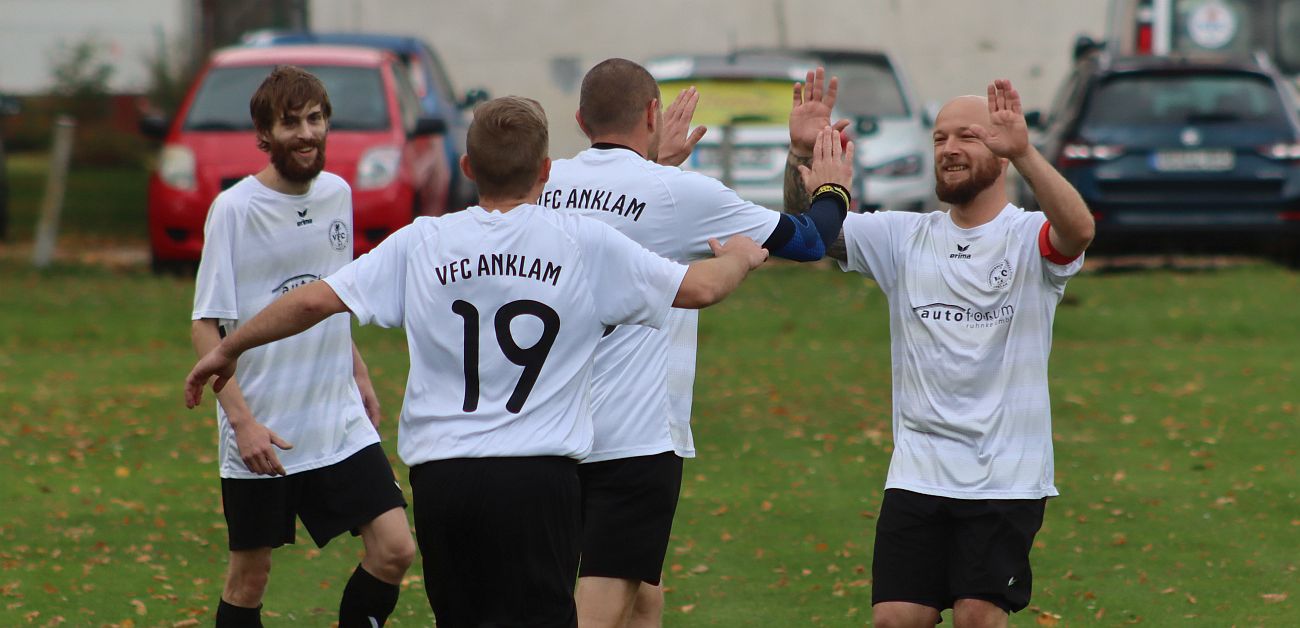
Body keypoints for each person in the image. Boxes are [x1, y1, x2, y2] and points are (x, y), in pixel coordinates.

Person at [185, 95, 771, 627]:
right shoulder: (580, 241)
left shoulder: (423, 241)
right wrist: (742, 255)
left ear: (467, 170)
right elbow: (697, 288)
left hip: (446, 481)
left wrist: (229, 347)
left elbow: (313, 298)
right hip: (537, 480)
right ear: (546, 171)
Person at [540, 58, 854, 628]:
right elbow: (809, 241)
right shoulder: (678, 193)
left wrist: (652, 167)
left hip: (542, 428)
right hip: (630, 437)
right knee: (600, 606)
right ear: (654, 113)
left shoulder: (545, 184)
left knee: (644, 596)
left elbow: (616, 214)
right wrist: (830, 182)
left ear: (581, 119)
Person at [786, 79, 1094, 627]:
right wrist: (802, 155)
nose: (950, 147)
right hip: (918, 472)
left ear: (999, 153)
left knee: (979, 615)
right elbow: (808, 237)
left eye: (970, 136)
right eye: (940, 138)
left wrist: (1025, 151)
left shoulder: (1027, 238)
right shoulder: (903, 237)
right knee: (894, 620)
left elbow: (1078, 230)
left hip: (1005, 475)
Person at [188, 66, 415, 628]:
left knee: (394, 549)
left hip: (336, 418)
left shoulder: (338, 194)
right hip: (265, 424)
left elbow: (332, 296)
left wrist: (358, 375)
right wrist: (242, 424)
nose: (306, 133)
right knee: (249, 580)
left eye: (315, 119)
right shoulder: (235, 209)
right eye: (290, 123)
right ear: (263, 136)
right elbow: (205, 326)